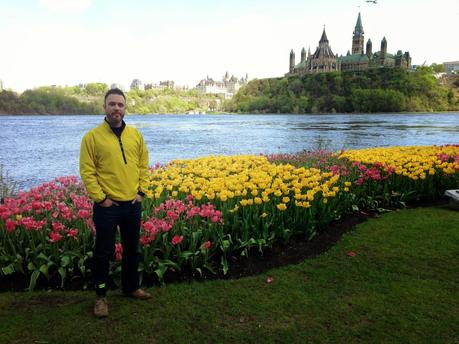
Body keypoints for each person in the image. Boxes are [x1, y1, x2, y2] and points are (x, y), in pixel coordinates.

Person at [80, 88, 151, 318]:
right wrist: (101, 199)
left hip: (132, 204)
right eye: (112, 104)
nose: (116, 108)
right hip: (107, 207)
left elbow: (143, 164)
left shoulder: (135, 135)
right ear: (105, 107)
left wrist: (141, 192)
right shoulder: (91, 138)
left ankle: (131, 288)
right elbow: (87, 172)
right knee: (103, 252)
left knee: (132, 250)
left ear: (125, 107)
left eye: (120, 104)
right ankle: (100, 297)